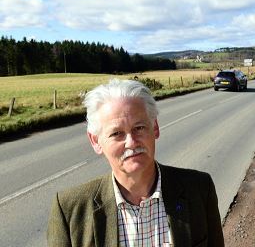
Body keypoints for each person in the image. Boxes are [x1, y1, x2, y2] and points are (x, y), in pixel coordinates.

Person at [47, 79, 224, 247]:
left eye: (139, 128)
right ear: (95, 141)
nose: (131, 142)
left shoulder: (199, 189)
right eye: (117, 133)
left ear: (155, 128)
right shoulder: (70, 209)